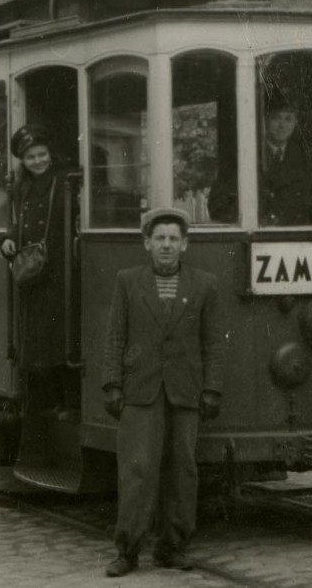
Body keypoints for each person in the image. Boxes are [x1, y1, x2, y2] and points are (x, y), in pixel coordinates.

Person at [101, 207, 226, 578]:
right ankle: (128, 551)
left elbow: (213, 344)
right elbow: (115, 336)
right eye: (160, 239)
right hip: (140, 390)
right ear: (147, 243)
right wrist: (112, 384)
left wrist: (212, 389)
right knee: (138, 470)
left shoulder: (205, 284)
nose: (167, 245)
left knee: (182, 470)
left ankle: (172, 548)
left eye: (174, 239)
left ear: (185, 244)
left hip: (186, 392)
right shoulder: (128, 281)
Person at [0, 125, 79, 420]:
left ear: (50, 154)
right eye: (31, 156)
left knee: (61, 336)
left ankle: (68, 402)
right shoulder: (23, 186)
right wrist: (8, 237)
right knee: (37, 340)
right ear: (24, 160)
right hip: (34, 273)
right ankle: (45, 402)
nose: (37, 161)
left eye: (41, 154)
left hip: (60, 271)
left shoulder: (63, 181)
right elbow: (20, 221)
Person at [207, 100, 312, 225]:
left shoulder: (304, 161)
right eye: (277, 118)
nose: (282, 125)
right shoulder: (244, 157)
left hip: (292, 241)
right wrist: (242, 222)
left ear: (295, 123)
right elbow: (217, 203)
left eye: (288, 119)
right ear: (265, 121)